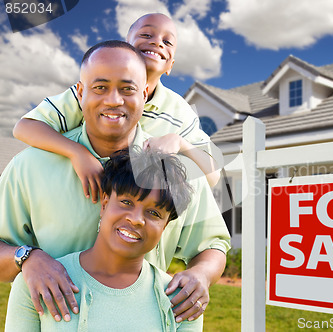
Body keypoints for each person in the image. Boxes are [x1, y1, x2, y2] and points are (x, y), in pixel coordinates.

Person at [0, 41, 230, 324]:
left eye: (127, 88)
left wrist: (201, 275)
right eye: (100, 87)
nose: (114, 100)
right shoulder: (30, 166)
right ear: (80, 92)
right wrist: (27, 258)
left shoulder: (176, 173)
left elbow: (213, 244)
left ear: (144, 94)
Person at [13, 13, 222, 202]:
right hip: (78, 197)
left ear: (171, 66)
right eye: (147, 34)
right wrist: (77, 153)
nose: (157, 42)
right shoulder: (91, 94)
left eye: (167, 41)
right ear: (125, 47)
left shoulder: (179, 111)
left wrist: (180, 143)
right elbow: (25, 127)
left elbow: (212, 175)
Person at [5, 148, 202, 331]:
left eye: (154, 213)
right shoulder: (38, 282)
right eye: (126, 202)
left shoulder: (182, 300)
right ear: (105, 204)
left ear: (165, 227)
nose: (136, 219)